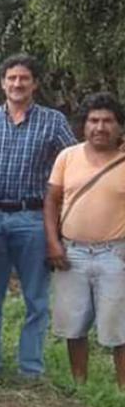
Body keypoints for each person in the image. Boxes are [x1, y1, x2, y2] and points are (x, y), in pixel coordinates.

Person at [0, 54, 76, 378]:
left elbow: (73, 164)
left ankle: (31, 370)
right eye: (11, 78)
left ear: (35, 84)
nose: (17, 84)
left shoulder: (53, 121)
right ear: (2, 83)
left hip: (33, 218)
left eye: (24, 78)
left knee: (37, 300)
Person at [44, 92, 125, 390]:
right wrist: (53, 243)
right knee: (73, 326)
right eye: (93, 120)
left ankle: (121, 393)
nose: (100, 127)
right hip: (71, 253)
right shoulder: (68, 156)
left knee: (120, 328)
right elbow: (51, 201)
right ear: (84, 125)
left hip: (115, 254)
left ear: (119, 127)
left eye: (107, 121)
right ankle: (81, 387)